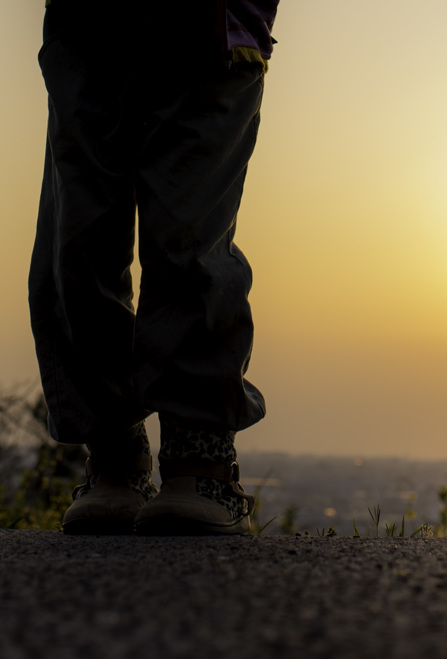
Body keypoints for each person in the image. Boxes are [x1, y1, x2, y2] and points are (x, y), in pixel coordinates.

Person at [29, 0, 280, 535]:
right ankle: (115, 455)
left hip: (211, 20)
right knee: (78, 243)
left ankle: (201, 462)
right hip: (87, 22)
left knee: (188, 241)